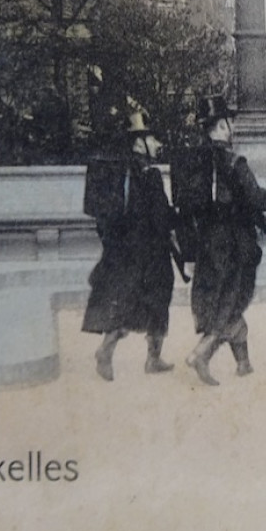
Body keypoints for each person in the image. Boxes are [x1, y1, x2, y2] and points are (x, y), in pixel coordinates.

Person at [81, 109, 183, 380]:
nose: (157, 144)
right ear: (140, 142)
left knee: (127, 301)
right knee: (159, 298)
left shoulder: (122, 170)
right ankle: (151, 358)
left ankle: (108, 349)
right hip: (152, 251)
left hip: (126, 250)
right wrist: (179, 217)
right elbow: (160, 216)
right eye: (152, 138)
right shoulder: (149, 174)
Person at [179, 95, 266, 386]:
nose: (231, 128)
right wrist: (265, 197)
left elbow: (185, 205)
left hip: (206, 241)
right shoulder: (234, 162)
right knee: (233, 299)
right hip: (234, 243)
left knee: (221, 298)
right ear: (221, 126)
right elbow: (256, 199)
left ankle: (243, 364)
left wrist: (189, 250)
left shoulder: (192, 161)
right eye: (228, 123)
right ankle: (201, 353)